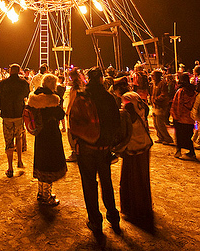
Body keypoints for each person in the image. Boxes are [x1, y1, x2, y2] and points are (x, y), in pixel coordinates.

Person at [70, 67, 121, 241]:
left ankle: (95, 221)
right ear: (100, 79)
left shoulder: (82, 97)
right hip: (104, 148)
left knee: (89, 184)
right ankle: (113, 218)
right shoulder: (109, 98)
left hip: (86, 147)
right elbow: (116, 123)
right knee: (107, 183)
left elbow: (73, 121)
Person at [113, 78, 154, 230]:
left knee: (132, 177)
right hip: (144, 141)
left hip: (134, 144)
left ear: (119, 90)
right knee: (142, 177)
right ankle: (144, 207)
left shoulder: (127, 99)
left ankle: (135, 210)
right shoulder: (135, 95)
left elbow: (130, 119)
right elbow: (146, 110)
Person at [27, 74, 67, 205]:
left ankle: (40, 192)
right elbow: (61, 114)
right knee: (50, 164)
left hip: (40, 135)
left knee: (41, 161)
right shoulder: (52, 99)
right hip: (51, 135)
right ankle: (47, 196)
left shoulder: (34, 97)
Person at [0, 63, 30, 177]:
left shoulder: (2, 83)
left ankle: (10, 167)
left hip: (7, 115)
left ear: (10, 71)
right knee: (19, 137)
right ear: (19, 71)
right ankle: (20, 161)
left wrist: (3, 108)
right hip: (19, 114)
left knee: (8, 141)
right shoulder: (23, 83)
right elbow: (27, 95)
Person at [170, 73, 197, 161]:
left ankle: (178, 151)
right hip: (190, 119)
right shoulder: (193, 91)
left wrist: (175, 116)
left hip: (181, 118)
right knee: (189, 136)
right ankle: (191, 152)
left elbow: (177, 104)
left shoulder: (181, 91)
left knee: (179, 135)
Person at [65, 68, 85, 162]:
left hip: (74, 111)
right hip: (82, 111)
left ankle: (74, 152)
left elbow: (71, 101)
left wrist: (67, 112)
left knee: (71, 131)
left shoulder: (74, 88)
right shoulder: (83, 86)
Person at [150, 70, 174, 145]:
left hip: (161, 105)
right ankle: (160, 137)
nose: (152, 77)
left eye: (153, 75)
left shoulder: (162, 84)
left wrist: (155, 99)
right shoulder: (154, 83)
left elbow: (164, 95)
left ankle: (167, 138)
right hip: (155, 105)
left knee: (159, 123)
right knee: (155, 122)